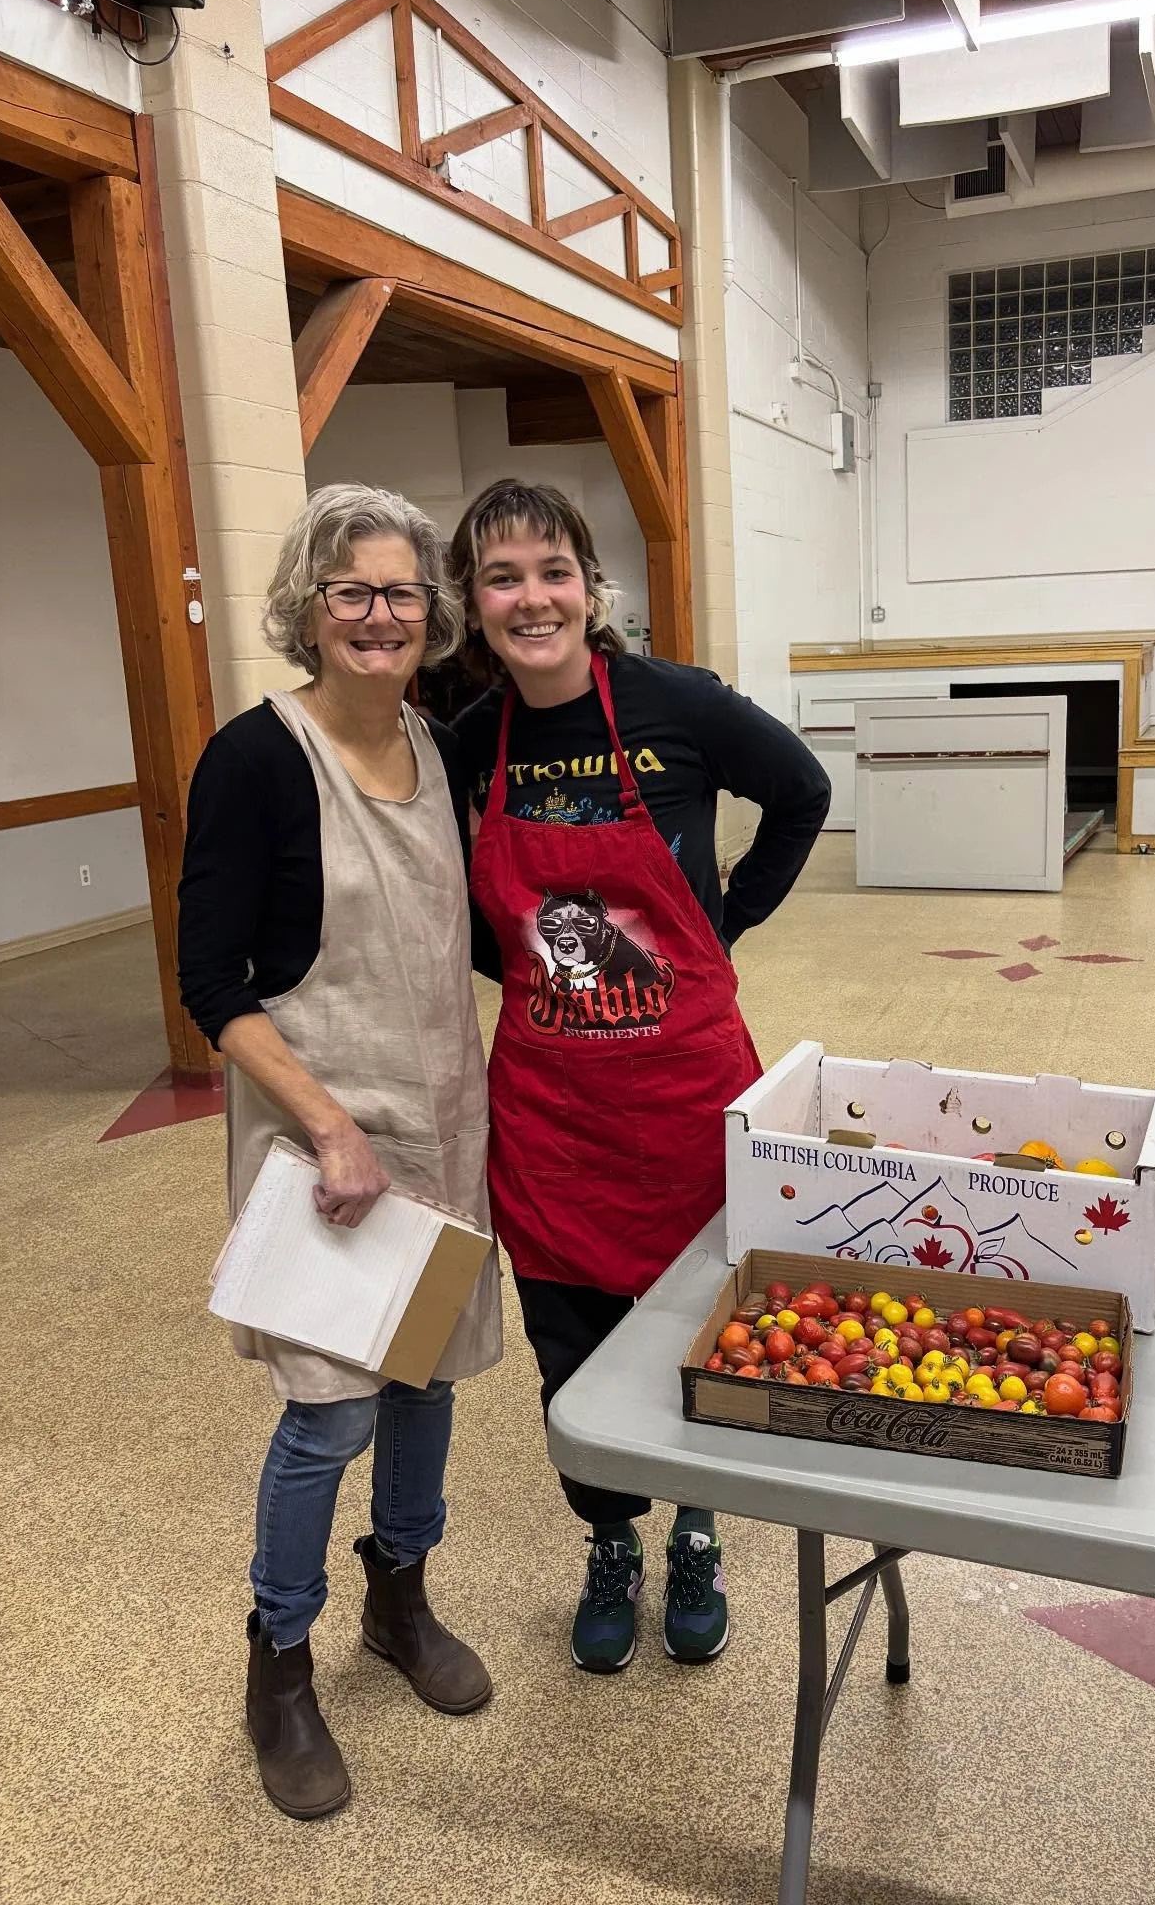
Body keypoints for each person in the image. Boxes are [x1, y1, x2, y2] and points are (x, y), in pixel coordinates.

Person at [451, 478, 830, 1675]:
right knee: (571, 1336)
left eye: (552, 570)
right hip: (553, 1110)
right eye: (503, 577)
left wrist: (728, 924)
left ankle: (699, 1527)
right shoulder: (474, 742)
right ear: (474, 604)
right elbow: (459, 902)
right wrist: (509, 962)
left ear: (589, 587)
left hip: (681, 1092)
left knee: (698, 1317)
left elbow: (802, 792)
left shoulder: (678, 705)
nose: (532, 597)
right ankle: (612, 1535)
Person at [178, 483, 502, 1821]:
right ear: (308, 611)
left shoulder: (442, 748)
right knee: (329, 1412)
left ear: (433, 615)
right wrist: (326, 1129)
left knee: (423, 1383)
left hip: (441, 1119)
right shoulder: (256, 758)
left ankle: (400, 1597)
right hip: (324, 1140)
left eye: (403, 593)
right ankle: (281, 1665)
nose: (381, 616)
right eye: (352, 593)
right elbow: (213, 984)